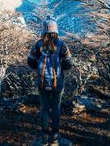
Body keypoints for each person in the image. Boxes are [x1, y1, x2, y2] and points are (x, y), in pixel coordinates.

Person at [27, 16, 73, 145]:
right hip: (57, 82)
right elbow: (69, 64)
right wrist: (59, 69)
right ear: (56, 29)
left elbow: (30, 62)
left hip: (42, 82)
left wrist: (40, 70)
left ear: (43, 30)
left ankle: (45, 136)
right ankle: (55, 135)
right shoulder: (62, 45)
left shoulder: (38, 45)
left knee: (45, 108)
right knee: (56, 107)